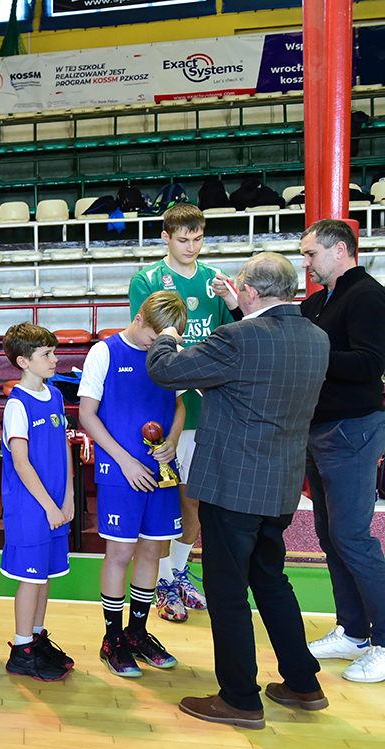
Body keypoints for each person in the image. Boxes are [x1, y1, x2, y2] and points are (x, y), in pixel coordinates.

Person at [147, 252, 329, 729]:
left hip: (234, 486)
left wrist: (166, 334)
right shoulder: (316, 337)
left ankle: (240, 699)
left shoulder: (239, 337)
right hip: (281, 484)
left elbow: (165, 370)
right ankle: (304, 683)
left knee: (227, 593)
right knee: (271, 581)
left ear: (249, 291)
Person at [128, 203, 241, 622]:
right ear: (166, 238)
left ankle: (176, 572)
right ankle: (159, 582)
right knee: (164, 500)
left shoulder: (216, 281)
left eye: (197, 239)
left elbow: (234, 336)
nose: (191, 247)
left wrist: (232, 302)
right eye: (182, 239)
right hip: (165, 406)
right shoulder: (147, 280)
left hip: (210, 408)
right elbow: (146, 340)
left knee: (196, 500)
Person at [79, 293, 187, 678]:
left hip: (161, 470)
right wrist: (124, 461)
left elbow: (179, 405)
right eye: (153, 338)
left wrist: (173, 438)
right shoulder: (104, 352)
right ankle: (113, 640)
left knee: (152, 550)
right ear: (139, 318)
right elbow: (87, 415)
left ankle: (138, 634)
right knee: (120, 553)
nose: (156, 346)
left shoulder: (171, 352)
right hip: (120, 471)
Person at [299, 219, 385, 683]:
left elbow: (371, 363)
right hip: (320, 429)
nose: (306, 263)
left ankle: (384, 640)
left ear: (340, 250)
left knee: (352, 537)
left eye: (311, 254)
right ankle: (353, 631)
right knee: (332, 537)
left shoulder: (367, 296)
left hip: (352, 429)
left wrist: (315, 357)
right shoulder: (317, 301)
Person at [0, 324, 74, 682]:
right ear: (23, 361)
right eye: (46, 354)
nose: (55, 359)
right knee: (30, 580)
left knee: (45, 577)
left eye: (53, 351)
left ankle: (36, 638)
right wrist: (49, 506)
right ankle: (21, 650)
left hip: (55, 504)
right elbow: (21, 463)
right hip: (31, 509)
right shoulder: (17, 404)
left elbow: (65, 446)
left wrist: (69, 496)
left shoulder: (54, 394)